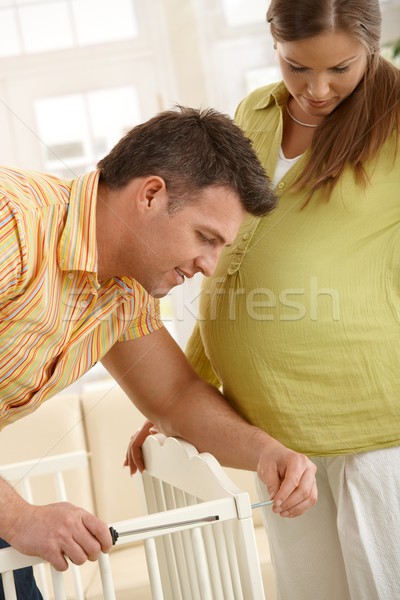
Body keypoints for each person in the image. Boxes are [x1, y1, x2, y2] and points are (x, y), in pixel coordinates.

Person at [126, 1, 400, 599]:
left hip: (375, 427)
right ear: (273, 40)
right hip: (274, 427)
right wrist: (182, 396)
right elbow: (231, 266)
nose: (317, 89)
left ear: (373, 47)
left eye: (340, 69)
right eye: (297, 66)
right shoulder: (256, 111)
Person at [0, 103, 293, 599]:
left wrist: (267, 452)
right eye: (205, 237)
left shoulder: (123, 292)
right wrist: (19, 515)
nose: (208, 265)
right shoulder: (14, 225)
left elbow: (175, 397)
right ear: (152, 195)